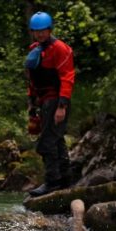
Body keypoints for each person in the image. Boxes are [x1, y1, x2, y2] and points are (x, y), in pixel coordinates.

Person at [25, 10, 75, 197]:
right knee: (57, 140)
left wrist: (62, 106)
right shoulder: (34, 50)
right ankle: (65, 179)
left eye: (43, 30)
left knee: (47, 141)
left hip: (56, 100)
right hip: (44, 101)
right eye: (37, 31)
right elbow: (32, 80)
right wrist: (32, 104)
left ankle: (52, 182)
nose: (40, 34)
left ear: (50, 29)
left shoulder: (60, 48)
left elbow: (67, 78)